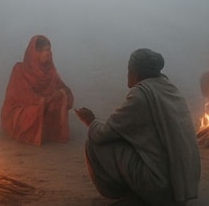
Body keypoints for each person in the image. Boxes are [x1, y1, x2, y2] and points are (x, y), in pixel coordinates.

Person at [75, 49, 200, 206]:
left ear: (134, 72)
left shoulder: (140, 95)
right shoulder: (170, 89)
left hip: (160, 186)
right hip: (180, 184)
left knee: (94, 143)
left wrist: (90, 120)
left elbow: (103, 133)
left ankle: (135, 195)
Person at [1, 35, 74, 145]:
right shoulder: (19, 70)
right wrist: (48, 99)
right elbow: (28, 98)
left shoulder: (51, 72)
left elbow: (66, 92)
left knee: (60, 99)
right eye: (45, 50)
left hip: (41, 104)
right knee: (34, 111)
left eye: (50, 50)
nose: (49, 53)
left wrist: (62, 95)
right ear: (35, 54)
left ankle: (49, 133)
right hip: (19, 111)